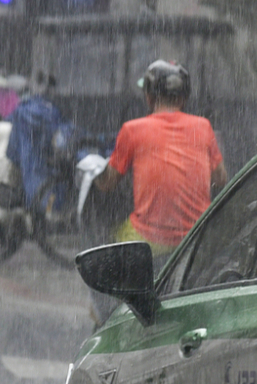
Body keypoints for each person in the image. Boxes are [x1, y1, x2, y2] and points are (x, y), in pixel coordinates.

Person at [95, 59, 227, 260]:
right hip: (196, 238)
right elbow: (221, 180)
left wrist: (94, 175)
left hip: (150, 238)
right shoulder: (203, 127)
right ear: (183, 98)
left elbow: (107, 183)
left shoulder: (132, 130)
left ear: (148, 97)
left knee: (112, 241)